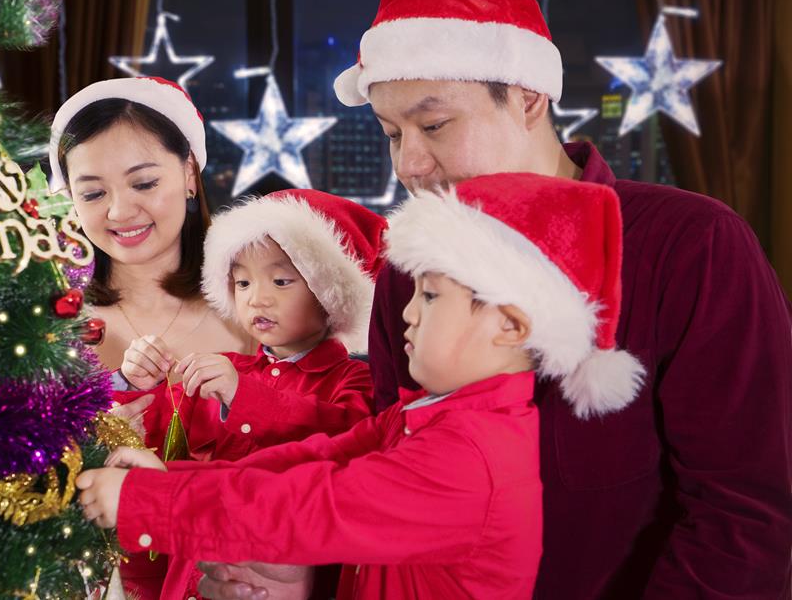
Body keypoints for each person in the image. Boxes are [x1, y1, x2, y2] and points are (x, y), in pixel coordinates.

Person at [200, 0, 792, 599]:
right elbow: (394, 479)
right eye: (393, 133)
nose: (412, 164)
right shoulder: (412, 270)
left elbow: (745, 516)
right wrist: (309, 569)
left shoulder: (692, 247)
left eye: (434, 124)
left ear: (530, 95)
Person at [74, 172, 645, 599]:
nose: (408, 316)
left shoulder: (472, 452)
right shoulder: (428, 415)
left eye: (430, 296)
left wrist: (153, 503)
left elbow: (315, 505)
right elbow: (310, 462)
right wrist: (169, 478)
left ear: (512, 325)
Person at [114, 188, 384, 599]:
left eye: (281, 280)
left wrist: (246, 398)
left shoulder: (354, 383)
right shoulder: (221, 369)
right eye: (242, 282)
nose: (257, 297)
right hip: (190, 577)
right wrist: (134, 382)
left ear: (329, 291)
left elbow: (343, 439)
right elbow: (150, 445)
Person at [48, 76, 254, 595]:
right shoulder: (48, 321)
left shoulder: (254, 306)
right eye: (93, 193)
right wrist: (90, 448)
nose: (119, 212)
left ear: (189, 172)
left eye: (143, 183)